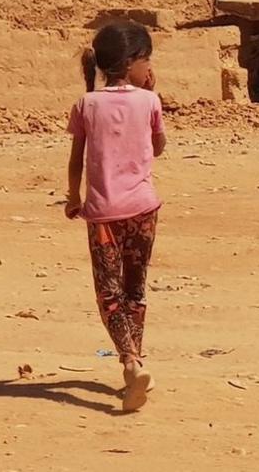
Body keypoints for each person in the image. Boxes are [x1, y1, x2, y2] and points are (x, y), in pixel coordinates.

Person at [65, 20, 167, 412]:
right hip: (143, 209)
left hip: (103, 213)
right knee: (135, 288)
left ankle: (130, 362)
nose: (150, 68)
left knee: (109, 293)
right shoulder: (149, 101)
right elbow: (158, 148)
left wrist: (72, 197)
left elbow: (77, 159)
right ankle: (134, 362)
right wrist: (151, 95)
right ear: (133, 62)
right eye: (148, 60)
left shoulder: (86, 104)